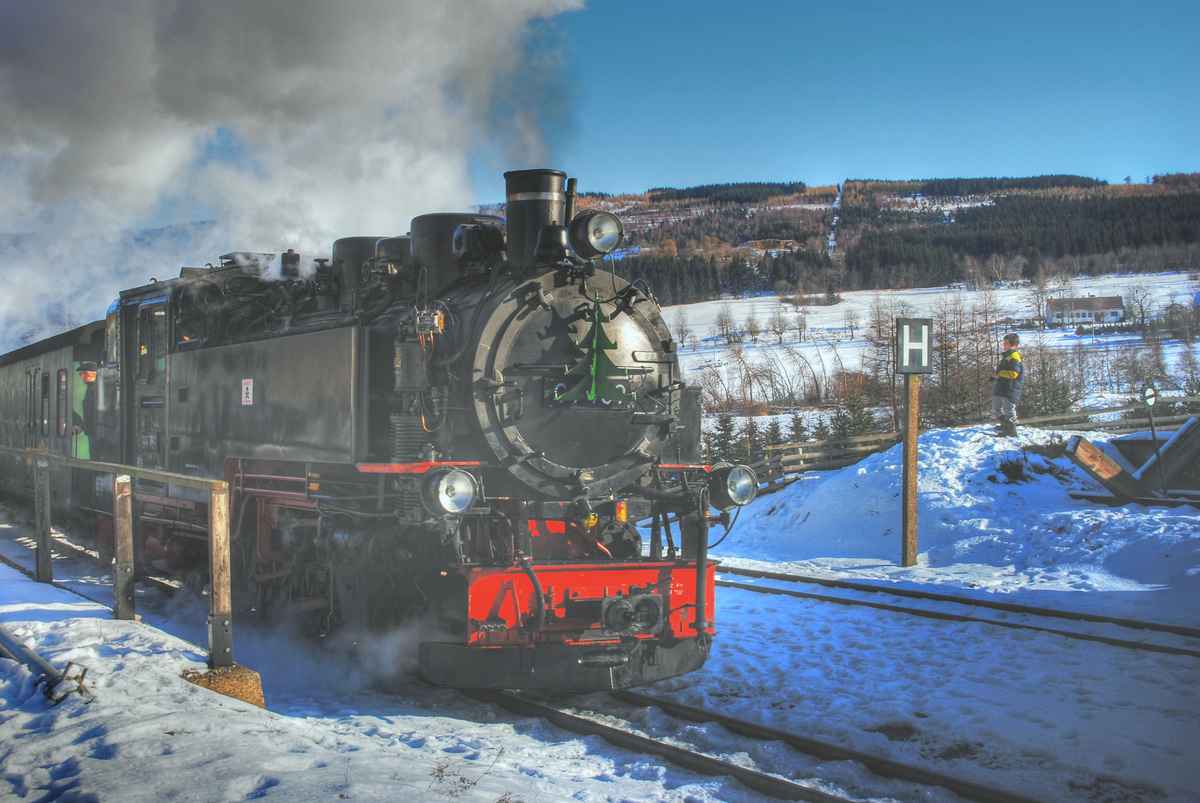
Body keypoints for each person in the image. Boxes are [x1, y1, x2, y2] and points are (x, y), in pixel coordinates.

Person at [992, 333, 1023, 436]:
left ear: (1012, 344)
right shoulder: (1007, 356)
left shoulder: (1014, 356)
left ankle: (1011, 432)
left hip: (1010, 388)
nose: (1003, 345)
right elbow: (1004, 370)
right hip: (1002, 387)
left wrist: (1000, 374)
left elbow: (1014, 374)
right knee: (996, 409)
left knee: (1009, 410)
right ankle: (1005, 426)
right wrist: (996, 376)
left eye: (1005, 343)